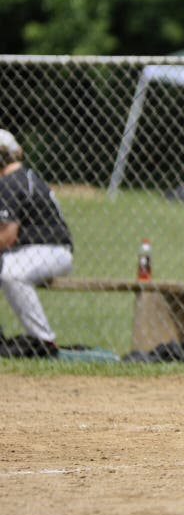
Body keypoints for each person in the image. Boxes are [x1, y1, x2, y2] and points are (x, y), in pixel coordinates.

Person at [0, 130, 73, 357]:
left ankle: (44, 340)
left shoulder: (9, 183)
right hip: (44, 251)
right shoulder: (25, 176)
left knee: (11, 273)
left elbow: (8, 236)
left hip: (48, 251)